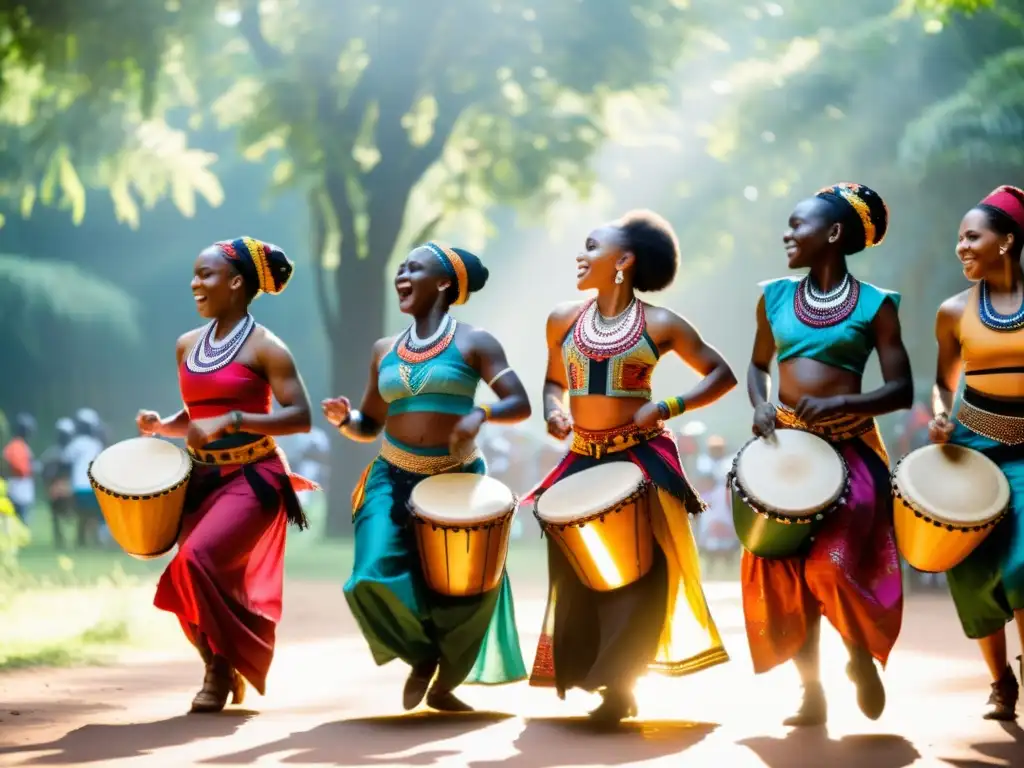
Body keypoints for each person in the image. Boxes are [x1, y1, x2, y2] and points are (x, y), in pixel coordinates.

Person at [529, 209, 737, 724]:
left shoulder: (661, 323)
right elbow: (554, 382)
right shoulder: (562, 319)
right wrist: (555, 410)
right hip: (583, 457)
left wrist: (667, 407)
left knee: (642, 570)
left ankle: (621, 684)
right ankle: (593, 670)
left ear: (623, 261)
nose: (581, 255)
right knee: (578, 568)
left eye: (592, 246)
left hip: (640, 458)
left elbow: (722, 374)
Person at [322, 241, 531, 712]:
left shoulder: (476, 342)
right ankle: (423, 654)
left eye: (413, 267)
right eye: (399, 267)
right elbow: (369, 424)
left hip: (458, 482)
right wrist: (344, 421)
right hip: (391, 477)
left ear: (442, 283)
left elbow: (519, 404)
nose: (401, 273)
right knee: (369, 575)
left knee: (461, 588)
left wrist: (480, 414)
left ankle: (445, 682)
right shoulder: (384, 350)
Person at [744, 182, 913, 726]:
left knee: (829, 569)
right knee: (786, 572)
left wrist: (843, 400)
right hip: (784, 451)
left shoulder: (877, 305)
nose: (787, 234)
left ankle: (859, 657)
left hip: (853, 452)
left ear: (834, 234)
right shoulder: (772, 296)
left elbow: (901, 390)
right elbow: (757, 366)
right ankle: (810, 694)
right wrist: (759, 404)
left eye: (798, 225)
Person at [135, 236, 316, 714]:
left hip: (254, 478)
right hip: (200, 481)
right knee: (196, 576)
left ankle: (222, 669)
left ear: (236, 282)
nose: (195, 284)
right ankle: (217, 661)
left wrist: (237, 420)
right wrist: (164, 426)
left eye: (206, 275)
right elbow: (197, 413)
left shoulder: (268, 348)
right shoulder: (186, 346)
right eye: (194, 275)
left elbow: (301, 417)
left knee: (195, 560)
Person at [928, 185, 1024, 721]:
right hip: (970, 453)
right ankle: (1001, 682)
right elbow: (944, 384)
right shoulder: (951, 312)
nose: (961, 246)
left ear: (1006, 242)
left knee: (1023, 565)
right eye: (959, 238)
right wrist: (941, 416)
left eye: (973, 236)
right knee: (972, 572)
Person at [64, 409, 104, 547]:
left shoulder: (75, 444)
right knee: (93, 516)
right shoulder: (96, 444)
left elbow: (66, 459)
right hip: (93, 485)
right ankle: (94, 541)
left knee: (81, 515)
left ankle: (80, 541)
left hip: (78, 486)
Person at [39, 418, 76, 550]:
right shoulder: (55, 452)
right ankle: (61, 540)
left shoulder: (56, 452)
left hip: (61, 488)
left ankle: (63, 540)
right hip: (61, 489)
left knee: (63, 516)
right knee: (61, 516)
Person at [1, 414, 36, 524]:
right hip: (20, 486)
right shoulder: (19, 446)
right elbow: (22, 469)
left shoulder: (11, 446)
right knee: (21, 519)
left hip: (12, 485)